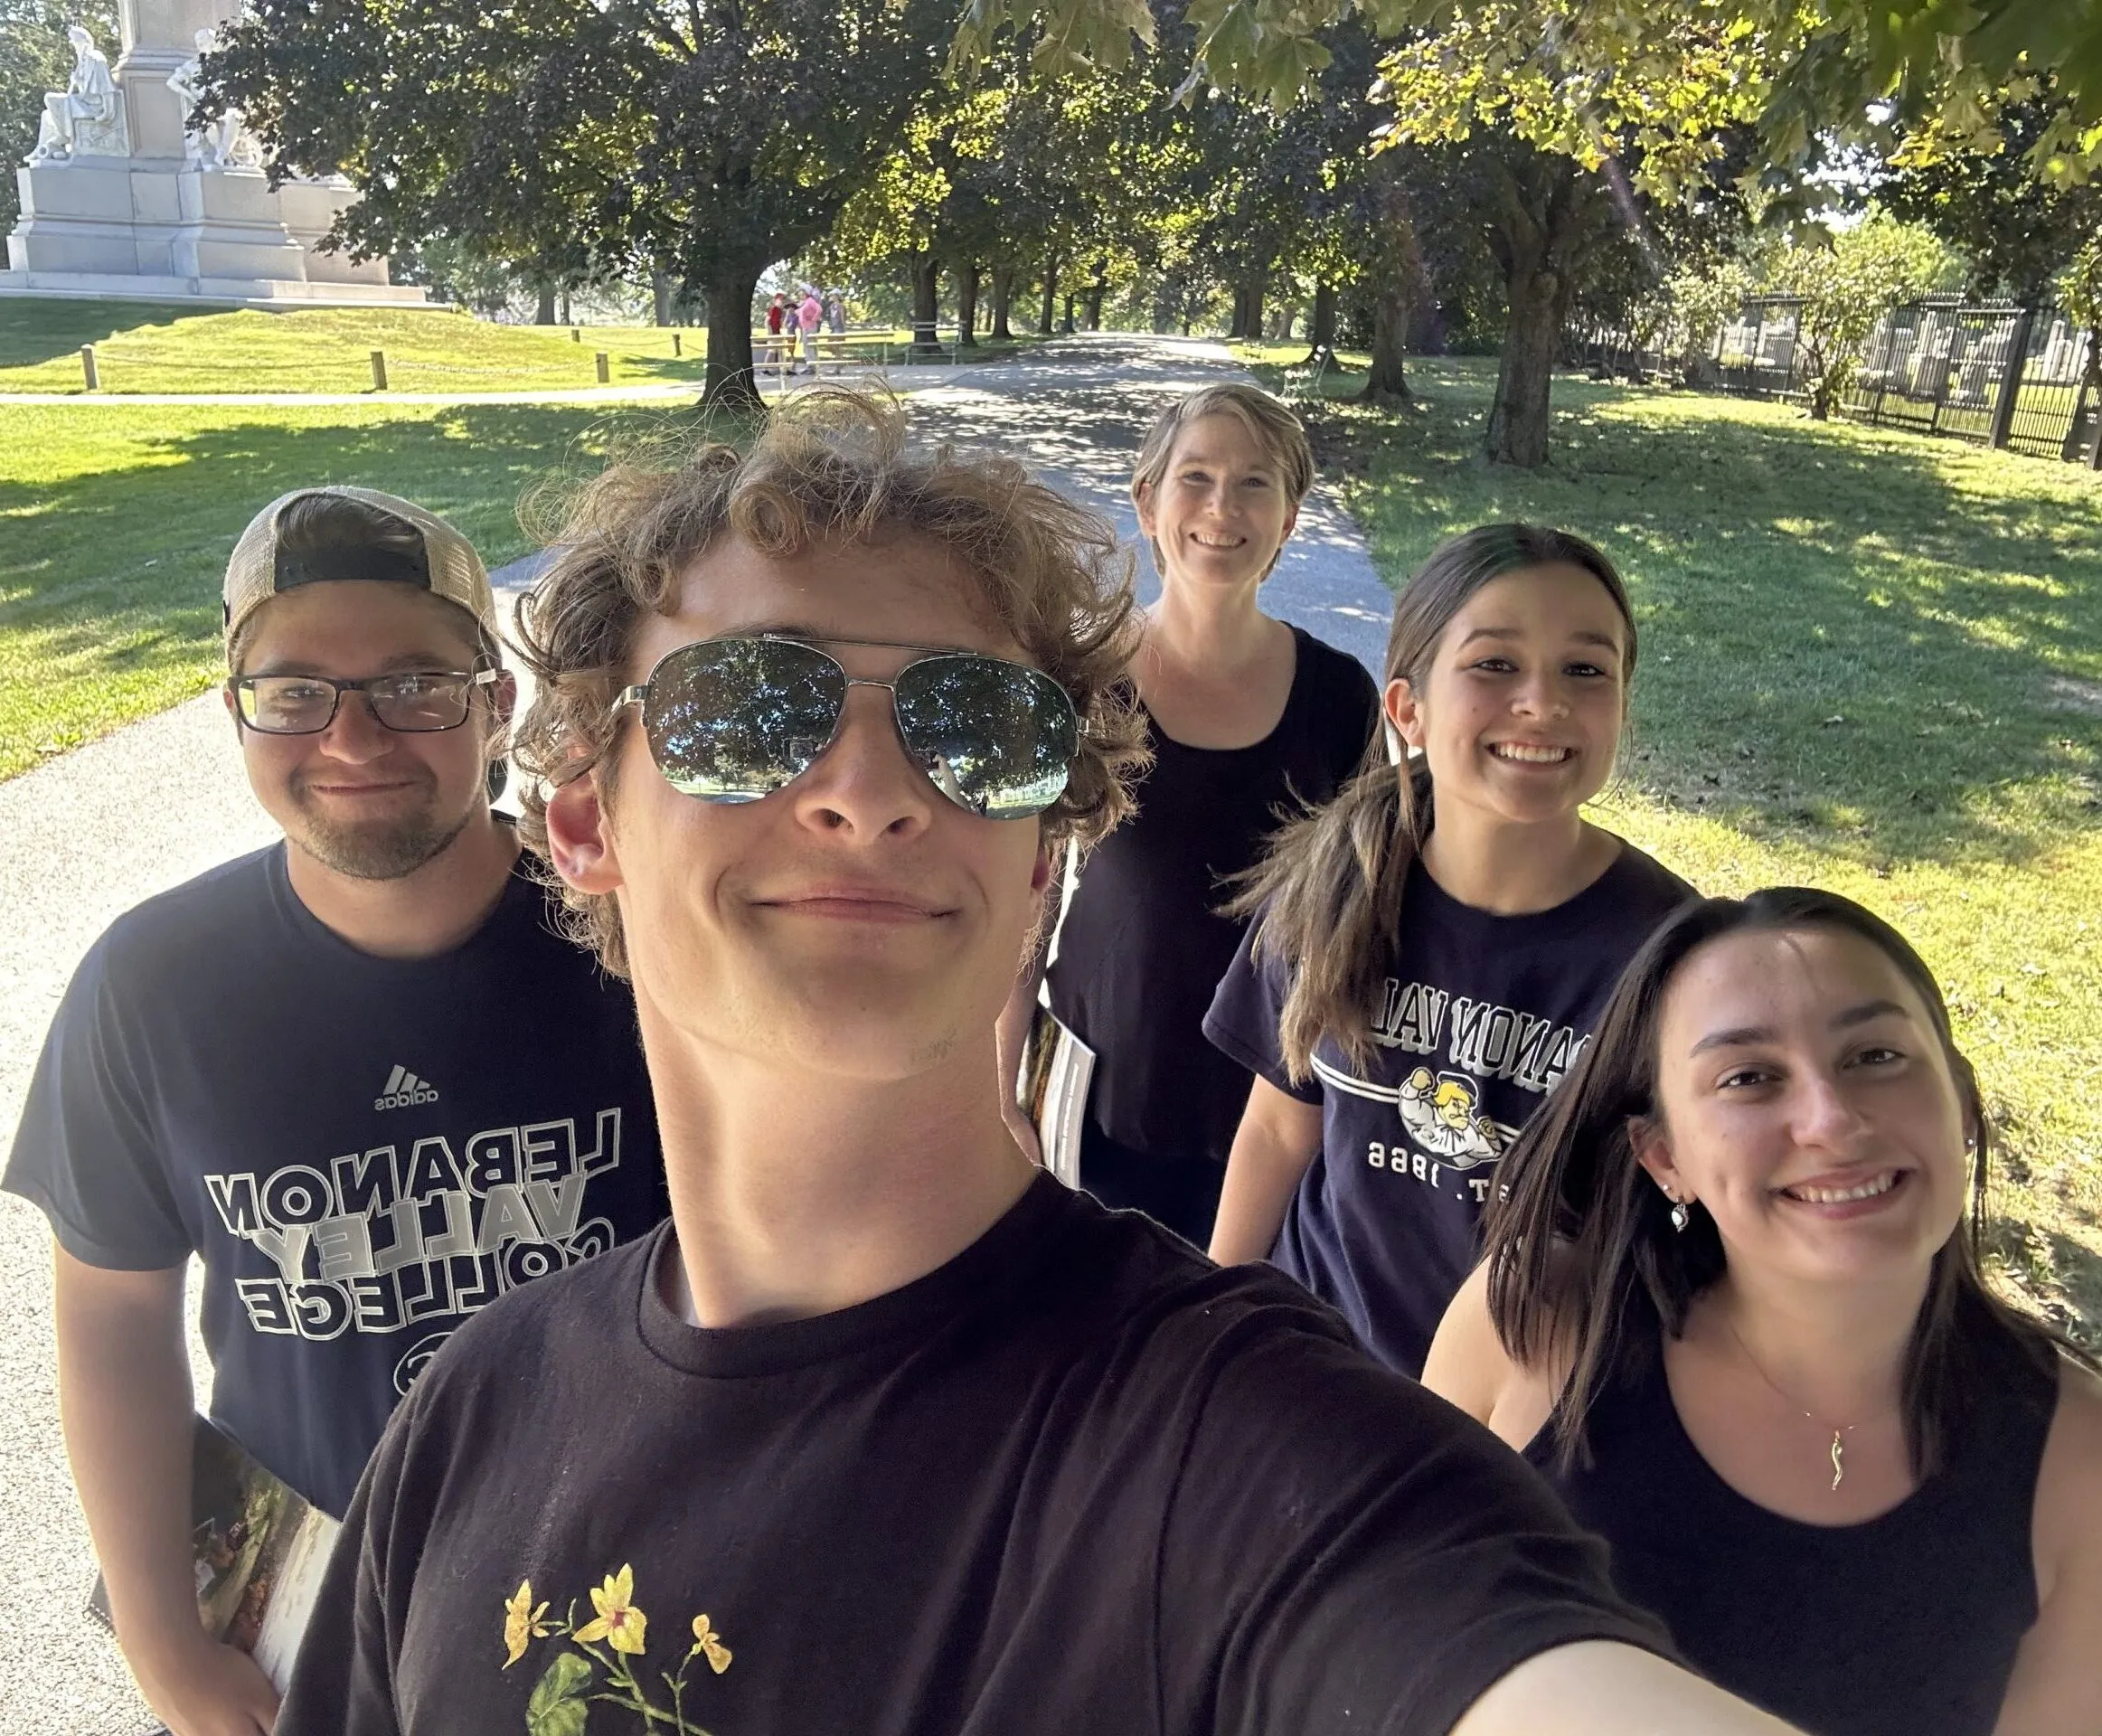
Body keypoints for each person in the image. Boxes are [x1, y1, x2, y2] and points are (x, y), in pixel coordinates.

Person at [275, 394, 1800, 1736]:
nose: (869, 793)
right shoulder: (469, 1417)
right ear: (584, 824)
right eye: (749, 711)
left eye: (976, 731)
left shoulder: (1246, 1455)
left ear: (1043, 855)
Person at [4, 487, 666, 1736]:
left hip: (616, 1589)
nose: (352, 736)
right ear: (236, 713)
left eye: (413, 682)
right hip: (308, 1595)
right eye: (295, 691)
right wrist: (162, 1638)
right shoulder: (151, 985)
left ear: (496, 702)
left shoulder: (632, 944)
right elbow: (111, 1323)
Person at [1423, 888, 2102, 1736]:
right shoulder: (1531, 1326)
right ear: (1666, 1158)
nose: (1830, 1119)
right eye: (1748, 1078)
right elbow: (1391, 1649)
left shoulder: (2078, 1463)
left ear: (1960, 1105)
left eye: (1875, 1056)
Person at [1204, 524, 1695, 1377]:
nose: (1542, 702)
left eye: (1586, 669)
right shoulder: (1331, 885)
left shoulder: (1673, 954)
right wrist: (1209, 1328)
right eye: (1494, 665)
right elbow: (1280, 1131)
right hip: (1314, 1370)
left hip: (1521, 1415)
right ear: (1408, 710)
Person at [1002, 384, 1380, 1245]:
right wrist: (1000, 1069)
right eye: (1196, 476)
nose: (1221, 507)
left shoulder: (1338, 696)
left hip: (1271, 1103)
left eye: (1254, 484)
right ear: (1147, 500)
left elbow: (1362, 907)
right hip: (1101, 1087)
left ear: (1288, 520)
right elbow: (1027, 882)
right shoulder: (1083, 683)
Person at [797, 285, 825, 372]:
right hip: (805, 327)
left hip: (810, 327)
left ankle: (812, 367)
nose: (800, 294)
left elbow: (819, 309)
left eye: (802, 292)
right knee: (806, 347)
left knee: (810, 347)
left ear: (806, 292)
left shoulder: (810, 301)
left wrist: (813, 319)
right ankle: (809, 365)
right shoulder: (806, 302)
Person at [762, 293, 787, 368]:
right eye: (780, 300)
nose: (782, 302)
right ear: (776, 300)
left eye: (783, 300)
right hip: (772, 333)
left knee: (780, 350)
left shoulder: (779, 310)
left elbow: (780, 321)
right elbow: (767, 321)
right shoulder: (773, 309)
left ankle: (782, 367)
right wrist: (770, 332)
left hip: (777, 332)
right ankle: (765, 369)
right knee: (771, 351)